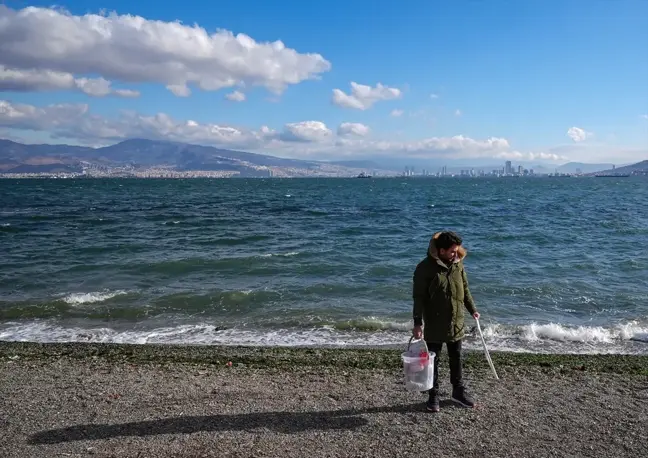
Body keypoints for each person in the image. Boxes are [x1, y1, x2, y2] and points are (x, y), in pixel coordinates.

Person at [412, 230, 480, 412]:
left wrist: (473, 310)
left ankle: (458, 392)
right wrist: (417, 323)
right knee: (432, 360)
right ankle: (433, 396)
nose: (455, 254)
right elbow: (418, 297)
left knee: (456, 357)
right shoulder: (424, 268)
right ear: (441, 251)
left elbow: (465, 289)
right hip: (434, 322)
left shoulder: (458, 264)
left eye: (457, 250)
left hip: (457, 321)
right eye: (451, 251)